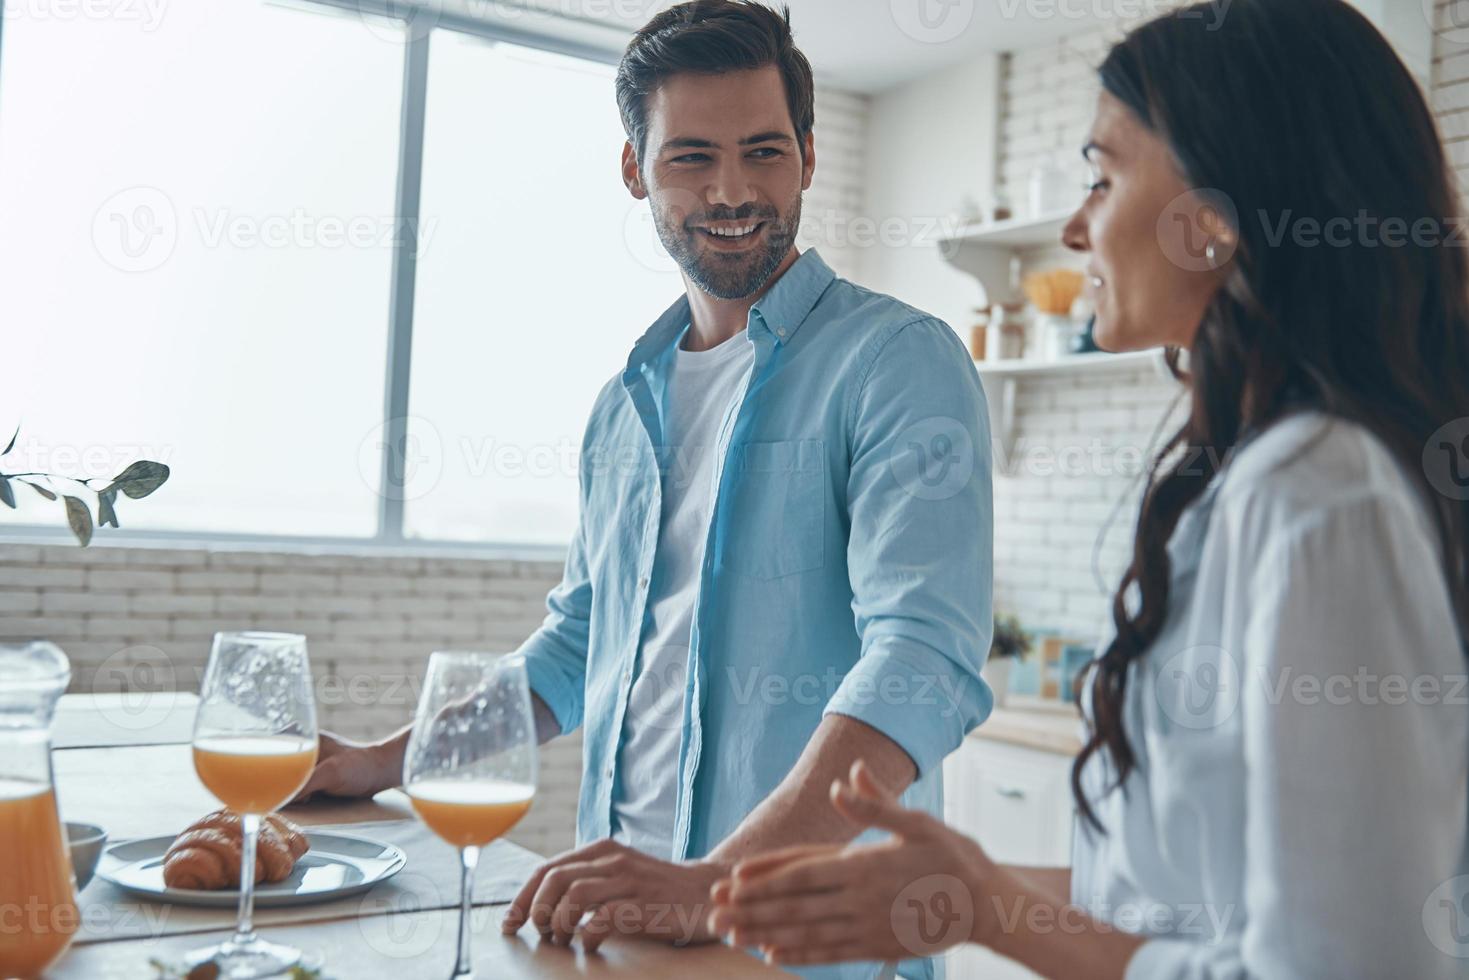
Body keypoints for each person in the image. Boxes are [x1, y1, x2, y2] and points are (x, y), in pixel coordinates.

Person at [706, 1, 1469, 977]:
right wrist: (952, 893)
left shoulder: (1317, 495)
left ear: (1214, 221)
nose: (1074, 227)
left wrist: (990, 908)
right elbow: (1187, 903)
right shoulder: (1256, 480)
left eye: (1101, 179)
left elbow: (1345, 964)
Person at [297, 3, 993, 977]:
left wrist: (715, 881)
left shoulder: (895, 364)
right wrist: (385, 759)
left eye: (762, 151)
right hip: (622, 925)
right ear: (633, 169)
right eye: (690, 157)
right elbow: (575, 646)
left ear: (805, 154)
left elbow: (923, 657)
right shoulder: (622, 406)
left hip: (802, 949)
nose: (732, 189)